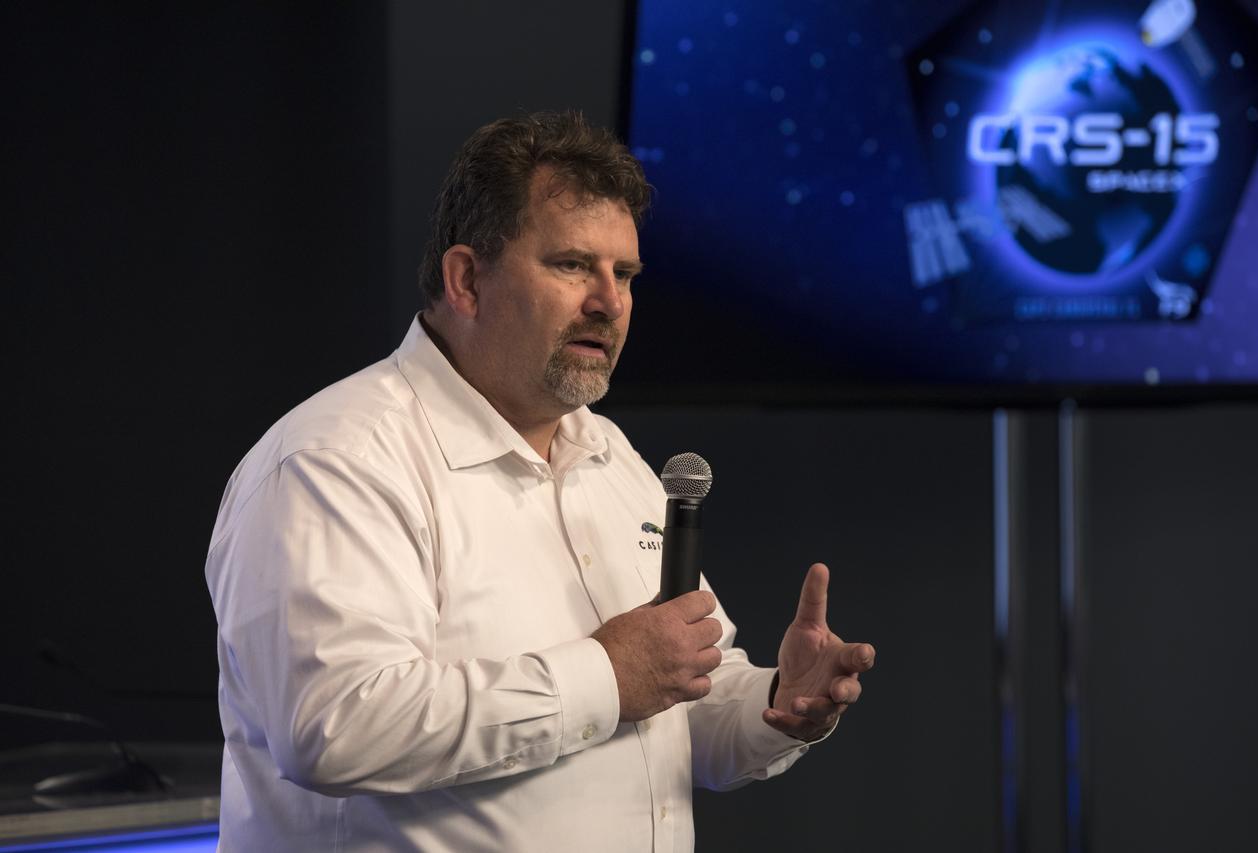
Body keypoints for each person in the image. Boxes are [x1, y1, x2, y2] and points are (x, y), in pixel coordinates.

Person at [205, 110, 875, 852]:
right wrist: (605, 675)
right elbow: (335, 725)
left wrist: (779, 701)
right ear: (467, 279)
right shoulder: (336, 460)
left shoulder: (607, 454)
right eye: (571, 265)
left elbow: (676, 705)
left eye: (624, 275)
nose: (610, 301)